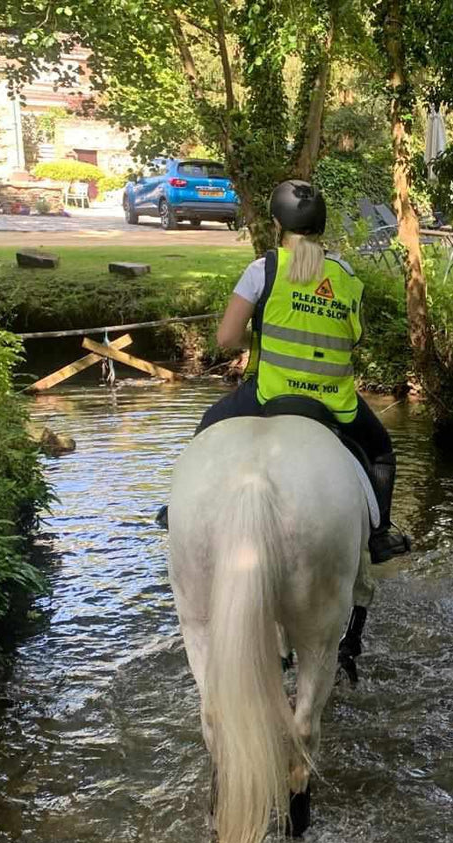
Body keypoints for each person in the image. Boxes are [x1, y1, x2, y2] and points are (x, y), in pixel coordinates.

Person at [159, 179, 411, 566]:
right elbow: (353, 338)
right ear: (320, 226)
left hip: (269, 394)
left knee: (208, 428)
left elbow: (226, 338)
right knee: (380, 451)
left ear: (278, 224)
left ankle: (176, 510)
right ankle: (379, 536)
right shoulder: (346, 276)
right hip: (334, 401)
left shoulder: (263, 270)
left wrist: (259, 339)